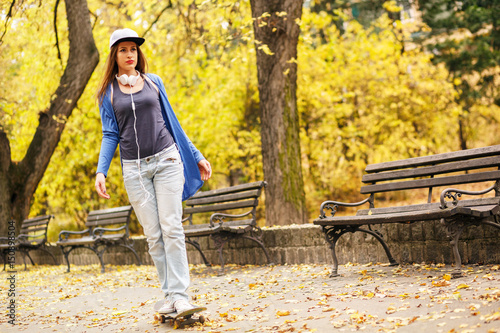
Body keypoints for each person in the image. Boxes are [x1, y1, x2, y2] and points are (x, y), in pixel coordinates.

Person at [94, 28, 211, 315]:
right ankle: (169, 295)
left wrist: (195, 155)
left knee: (172, 227)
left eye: (133, 49)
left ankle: (181, 296)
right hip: (134, 171)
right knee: (154, 235)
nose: (129, 54)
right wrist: (101, 171)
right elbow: (110, 135)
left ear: (138, 53)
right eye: (123, 50)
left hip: (167, 161)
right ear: (115, 55)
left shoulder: (153, 83)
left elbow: (173, 123)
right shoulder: (107, 94)